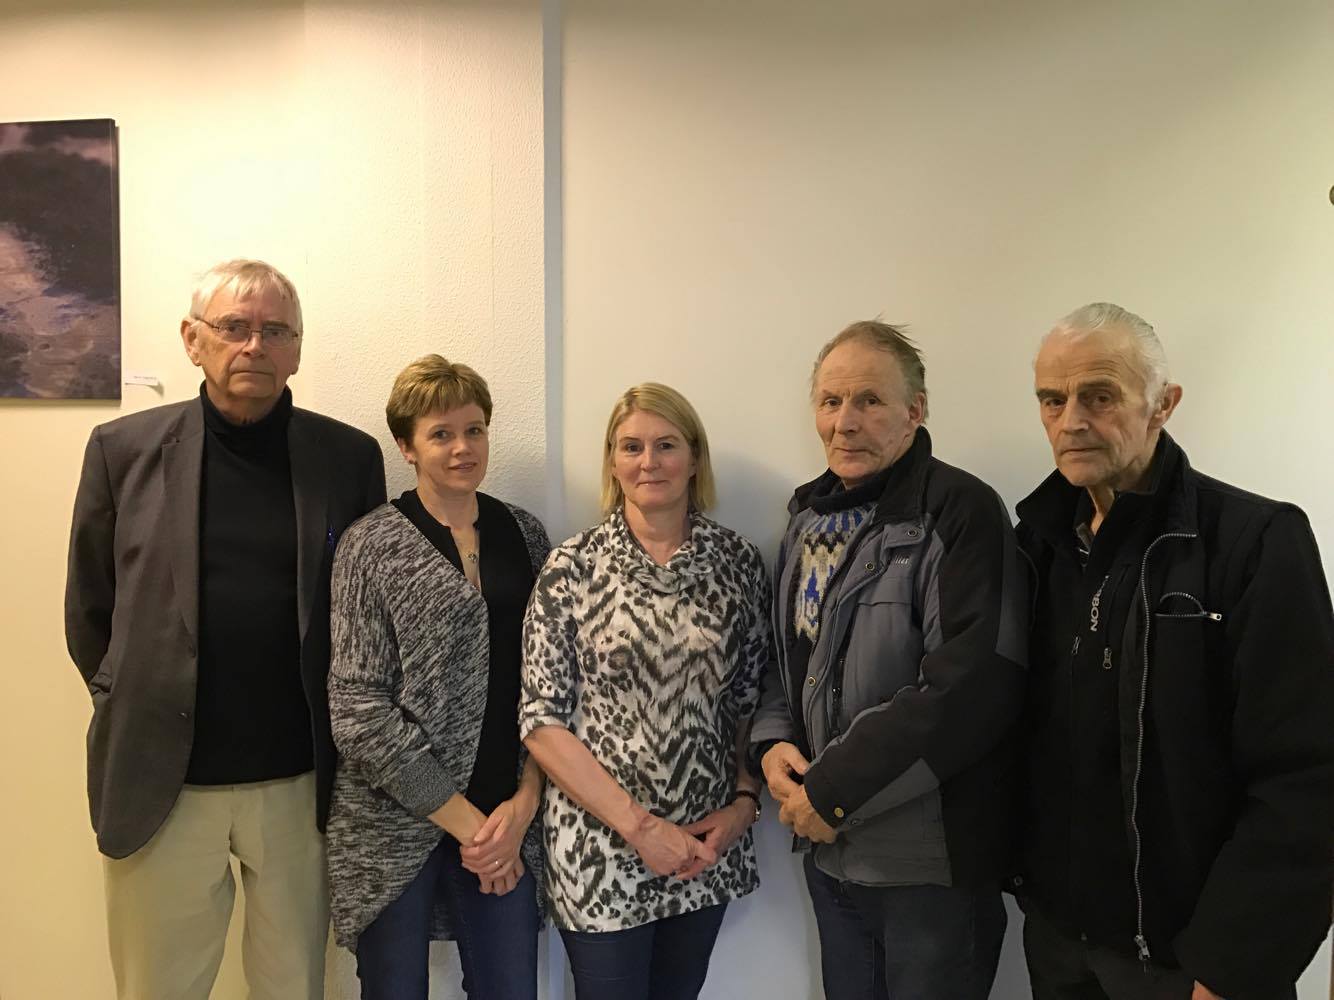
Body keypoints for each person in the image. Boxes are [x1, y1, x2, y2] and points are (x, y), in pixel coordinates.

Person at [63, 258, 386, 1000]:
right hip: (163, 784)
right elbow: (89, 608)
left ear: (297, 349)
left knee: (293, 986)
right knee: (158, 987)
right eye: (234, 327)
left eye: (276, 331)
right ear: (192, 339)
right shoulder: (122, 451)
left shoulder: (347, 459)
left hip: (300, 785)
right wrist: (123, 694)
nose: (254, 346)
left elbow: (368, 618)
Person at [1015, 302, 1334, 1000]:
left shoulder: (1254, 541)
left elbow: (1307, 776)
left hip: (1187, 958)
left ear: (1163, 404)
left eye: (1100, 396)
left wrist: (1232, 965)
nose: (1071, 420)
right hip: (1060, 940)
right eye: (1052, 399)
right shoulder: (1036, 545)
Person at [750, 320, 1027, 1000]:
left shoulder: (960, 511)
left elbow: (970, 687)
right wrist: (773, 743)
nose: (844, 422)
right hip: (831, 859)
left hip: (929, 870)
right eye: (830, 401)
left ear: (916, 409)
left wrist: (833, 793)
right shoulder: (806, 519)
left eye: (869, 400)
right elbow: (789, 661)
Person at [520, 382, 769, 1000]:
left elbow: (751, 699)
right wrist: (641, 829)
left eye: (666, 445)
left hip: (704, 845)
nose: (649, 462)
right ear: (612, 461)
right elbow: (541, 721)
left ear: (695, 457)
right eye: (631, 446)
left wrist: (744, 803)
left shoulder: (737, 562)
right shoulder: (573, 566)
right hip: (599, 848)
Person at [325, 355, 549, 1000]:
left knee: (510, 986)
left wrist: (524, 804)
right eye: (441, 434)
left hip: (507, 817)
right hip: (393, 824)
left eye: (474, 430)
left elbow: (549, 682)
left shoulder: (525, 534)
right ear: (407, 447)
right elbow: (358, 709)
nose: (462, 448)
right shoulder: (370, 545)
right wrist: (466, 824)